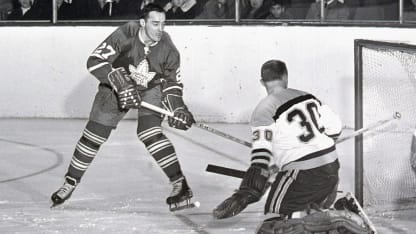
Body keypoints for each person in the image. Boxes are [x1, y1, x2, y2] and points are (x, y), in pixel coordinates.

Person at [51, 3, 195, 210]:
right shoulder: (126, 32)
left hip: (150, 89)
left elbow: (172, 84)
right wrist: (122, 84)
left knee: (150, 133)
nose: (160, 29)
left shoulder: (169, 50)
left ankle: (180, 185)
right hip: (117, 84)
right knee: (93, 136)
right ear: (143, 23)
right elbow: (95, 60)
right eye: (155, 24)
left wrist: (178, 108)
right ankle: (70, 182)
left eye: (163, 24)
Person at [212, 60, 372, 233]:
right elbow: (335, 128)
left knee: (272, 223)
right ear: (285, 77)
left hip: (301, 175)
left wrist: (245, 193)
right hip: (331, 169)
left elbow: (260, 158)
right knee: (300, 213)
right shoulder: (307, 96)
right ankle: (335, 212)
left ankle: (337, 218)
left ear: (262, 82)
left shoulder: (263, 110)